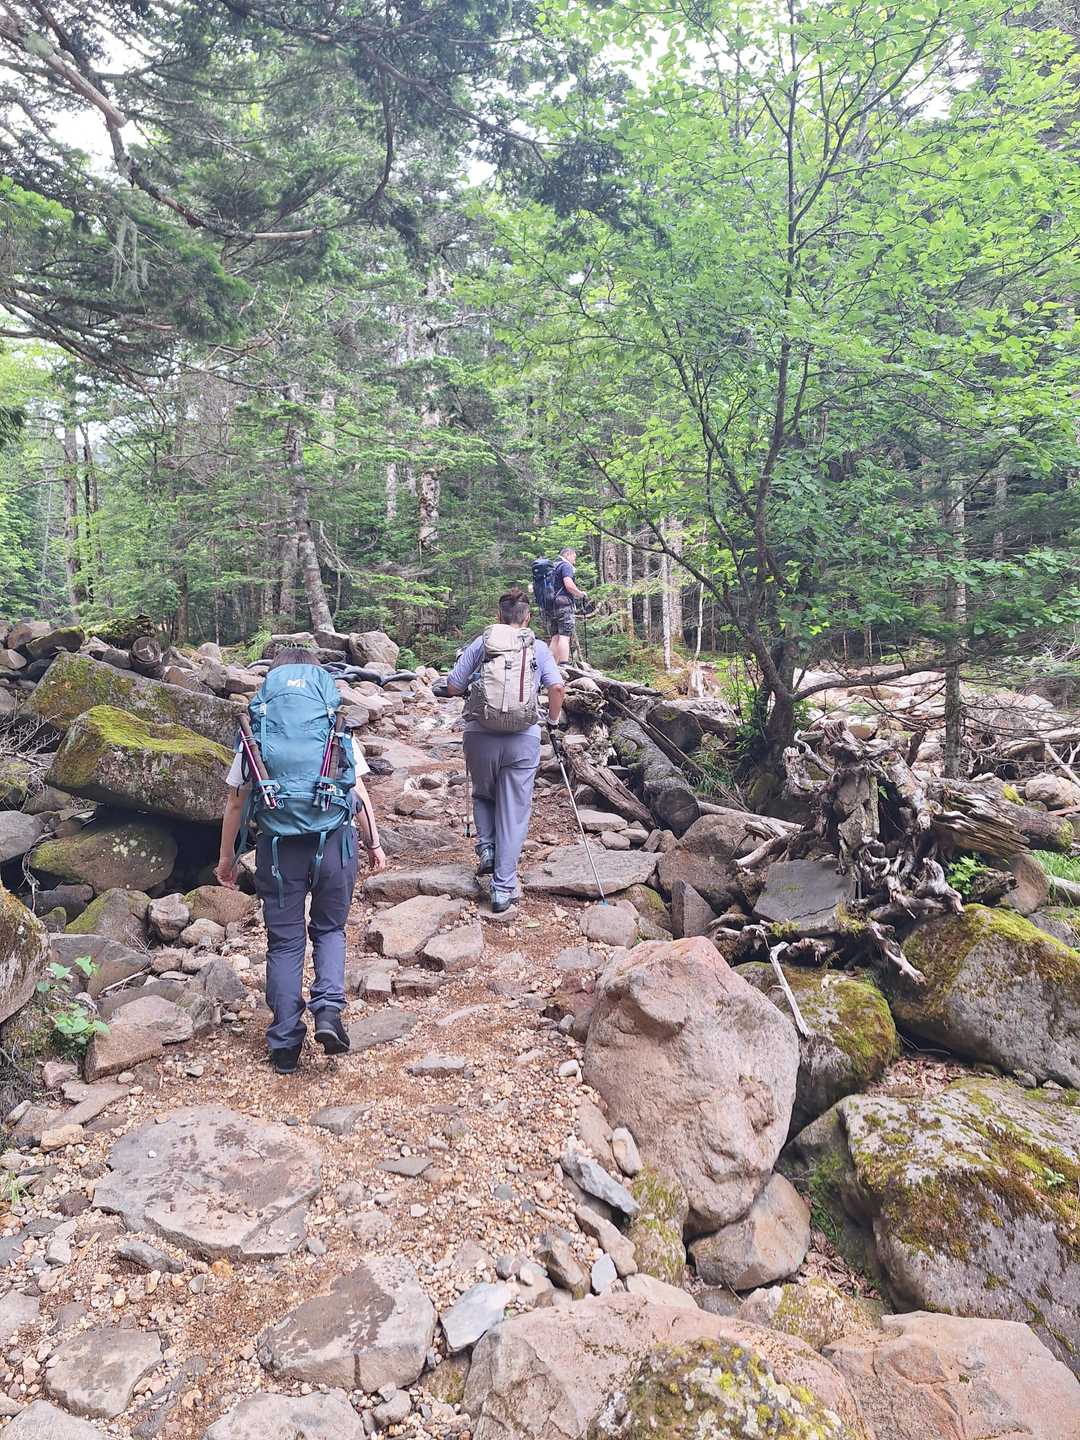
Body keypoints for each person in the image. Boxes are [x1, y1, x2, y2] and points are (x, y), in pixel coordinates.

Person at [214, 647, 387, 1075]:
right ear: (319, 681)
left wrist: (227, 858)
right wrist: (374, 844)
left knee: (286, 942)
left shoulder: (258, 728)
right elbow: (357, 791)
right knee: (329, 930)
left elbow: (235, 803)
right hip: (334, 843)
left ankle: (285, 1042)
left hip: (278, 850)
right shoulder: (333, 722)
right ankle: (328, 1013)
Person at [444, 589, 564, 912]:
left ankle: (487, 849)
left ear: (499, 616)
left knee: (483, 794)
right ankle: (502, 889)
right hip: (522, 738)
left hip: (479, 734)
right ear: (527, 618)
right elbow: (557, 687)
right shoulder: (538, 647)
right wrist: (552, 722)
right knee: (513, 812)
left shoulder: (483, 642)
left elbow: (453, 685)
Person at [547, 546, 588, 666]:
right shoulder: (565, 566)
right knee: (564, 636)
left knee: (555, 637)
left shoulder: (552, 567)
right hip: (563, 605)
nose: (574, 561)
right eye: (574, 557)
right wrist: (580, 594)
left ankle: (551, 666)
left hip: (550, 606)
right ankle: (564, 665)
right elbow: (569, 585)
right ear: (567, 555)